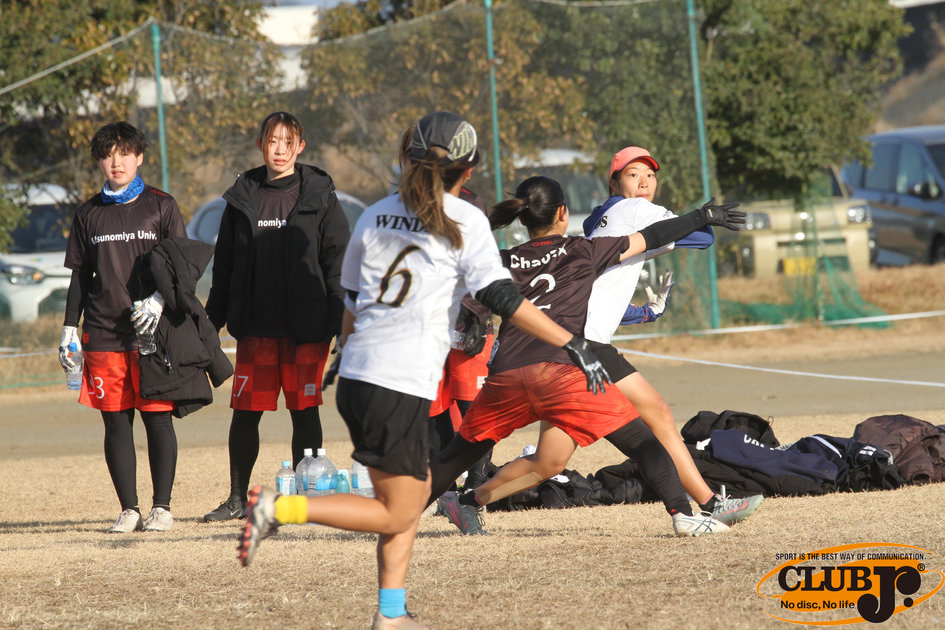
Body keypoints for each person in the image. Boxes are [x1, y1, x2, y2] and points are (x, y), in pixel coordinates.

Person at [235, 111, 612, 630]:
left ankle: (391, 613)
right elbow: (503, 298)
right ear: (468, 170)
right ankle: (278, 509)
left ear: (407, 160)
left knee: (407, 497)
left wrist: (343, 356)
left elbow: (352, 300)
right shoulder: (464, 219)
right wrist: (572, 342)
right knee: (401, 510)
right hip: (396, 381)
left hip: (362, 378)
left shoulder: (376, 214)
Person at [426, 175, 749, 536]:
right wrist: (702, 216)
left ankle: (400, 514)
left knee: (455, 460)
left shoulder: (504, 260)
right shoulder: (583, 250)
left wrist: (469, 317)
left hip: (507, 376)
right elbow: (653, 236)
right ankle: (684, 515)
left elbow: (458, 292)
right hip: (560, 372)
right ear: (562, 213)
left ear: (523, 218)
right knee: (644, 443)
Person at [582, 146, 763, 522]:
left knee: (549, 458)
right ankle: (706, 505)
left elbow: (599, 299)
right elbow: (703, 239)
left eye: (650, 175)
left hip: (575, 341)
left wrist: (645, 313)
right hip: (585, 346)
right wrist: (695, 220)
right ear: (614, 183)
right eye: (633, 174)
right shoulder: (634, 210)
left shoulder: (601, 219)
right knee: (655, 420)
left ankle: (469, 495)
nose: (644, 182)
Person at [202, 111, 350, 522]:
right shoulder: (242, 196)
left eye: (288, 142)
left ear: (300, 146)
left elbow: (337, 261)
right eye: (272, 141)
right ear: (260, 145)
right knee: (245, 413)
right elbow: (224, 266)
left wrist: (339, 320)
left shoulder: (319, 194)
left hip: (307, 329)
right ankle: (237, 499)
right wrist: (210, 322)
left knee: (305, 411)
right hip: (256, 328)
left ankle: (303, 500)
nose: (279, 150)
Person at [59, 121, 186, 533]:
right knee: (115, 421)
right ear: (99, 161)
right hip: (103, 332)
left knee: (157, 419)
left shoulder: (162, 205)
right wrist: (69, 328)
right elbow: (80, 277)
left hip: (153, 332)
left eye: (125, 153)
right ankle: (129, 509)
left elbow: (183, 267)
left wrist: (160, 300)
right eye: (108, 155)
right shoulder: (88, 213)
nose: (117, 162)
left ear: (140, 157)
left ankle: (162, 508)